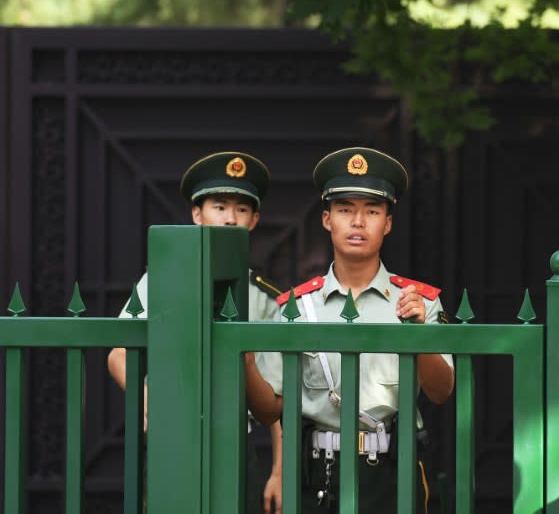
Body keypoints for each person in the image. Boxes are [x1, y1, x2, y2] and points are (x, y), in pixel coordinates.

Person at [245, 146, 455, 513]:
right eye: (345, 210)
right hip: (316, 475)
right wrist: (245, 362)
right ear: (327, 220)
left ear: (387, 223)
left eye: (372, 211)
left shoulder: (416, 302)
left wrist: (417, 335)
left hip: (392, 473)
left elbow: (441, 391)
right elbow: (268, 410)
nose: (358, 222)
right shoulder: (297, 307)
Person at [106, 151, 285, 513]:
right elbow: (119, 354)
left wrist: (279, 470)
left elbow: (277, 394)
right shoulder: (161, 281)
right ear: (196, 215)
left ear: (254, 220)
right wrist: (146, 396)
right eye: (219, 206)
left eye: (241, 209)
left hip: (236, 439)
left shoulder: (263, 297)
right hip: (173, 435)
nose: (230, 219)